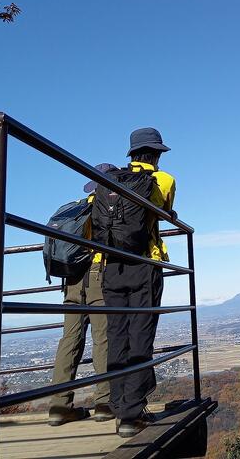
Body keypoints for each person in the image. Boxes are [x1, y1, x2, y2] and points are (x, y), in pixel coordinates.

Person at [97, 128, 175, 437]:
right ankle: (131, 415)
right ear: (156, 154)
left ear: (132, 154)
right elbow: (165, 213)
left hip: (111, 266)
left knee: (117, 336)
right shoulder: (163, 179)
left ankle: (119, 406)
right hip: (143, 265)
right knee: (141, 336)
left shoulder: (109, 182)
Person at [48, 163, 118, 426]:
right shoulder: (108, 206)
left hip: (71, 279)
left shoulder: (75, 208)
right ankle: (104, 403)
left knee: (69, 339)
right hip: (98, 274)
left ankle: (59, 406)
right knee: (103, 338)